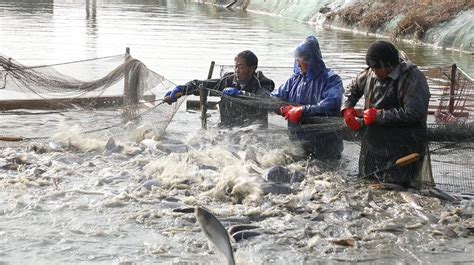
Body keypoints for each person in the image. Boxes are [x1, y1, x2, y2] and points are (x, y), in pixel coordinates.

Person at [342, 40, 431, 188]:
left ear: (390, 65)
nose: (374, 72)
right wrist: (346, 108)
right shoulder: (371, 72)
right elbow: (352, 88)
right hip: (373, 145)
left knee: (397, 189)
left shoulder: (413, 78)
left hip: (404, 147)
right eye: (372, 67)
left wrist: (378, 115)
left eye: (377, 68)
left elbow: (415, 112)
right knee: (367, 185)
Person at [272, 36, 344, 160]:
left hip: (326, 146)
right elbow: (273, 98)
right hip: (298, 144)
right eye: (297, 60)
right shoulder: (294, 79)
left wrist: (302, 110)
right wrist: (245, 94)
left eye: (301, 60)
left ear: (312, 60)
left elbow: (332, 105)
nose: (298, 64)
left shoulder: (331, 79)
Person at [164, 50, 275, 127]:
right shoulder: (227, 81)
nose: (237, 70)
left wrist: (241, 94)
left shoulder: (261, 84)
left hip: (252, 130)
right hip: (227, 128)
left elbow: (266, 100)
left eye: (241, 67)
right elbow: (201, 85)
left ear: (252, 68)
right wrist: (182, 89)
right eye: (235, 66)